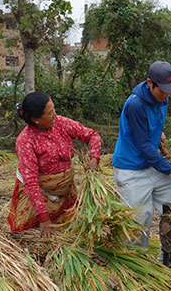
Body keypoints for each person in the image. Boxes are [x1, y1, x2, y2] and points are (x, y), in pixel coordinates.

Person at [7, 92, 102, 235]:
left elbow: (92, 135)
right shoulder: (26, 141)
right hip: (41, 198)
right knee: (39, 241)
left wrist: (94, 158)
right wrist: (43, 218)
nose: (55, 115)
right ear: (36, 119)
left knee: (72, 233)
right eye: (50, 113)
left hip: (66, 194)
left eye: (54, 110)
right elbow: (31, 182)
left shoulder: (61, 123)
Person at [112, 61, 171, 248]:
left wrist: (157, 132)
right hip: (131, 168)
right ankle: (137, 264)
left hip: (152, 164)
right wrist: (169, 167)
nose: (167, 95)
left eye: (170, 90)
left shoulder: (163, 97)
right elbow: (143, 144)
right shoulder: (135, 104)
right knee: (140, 217)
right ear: (149, 83)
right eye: (163, 90)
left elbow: (153, 123)